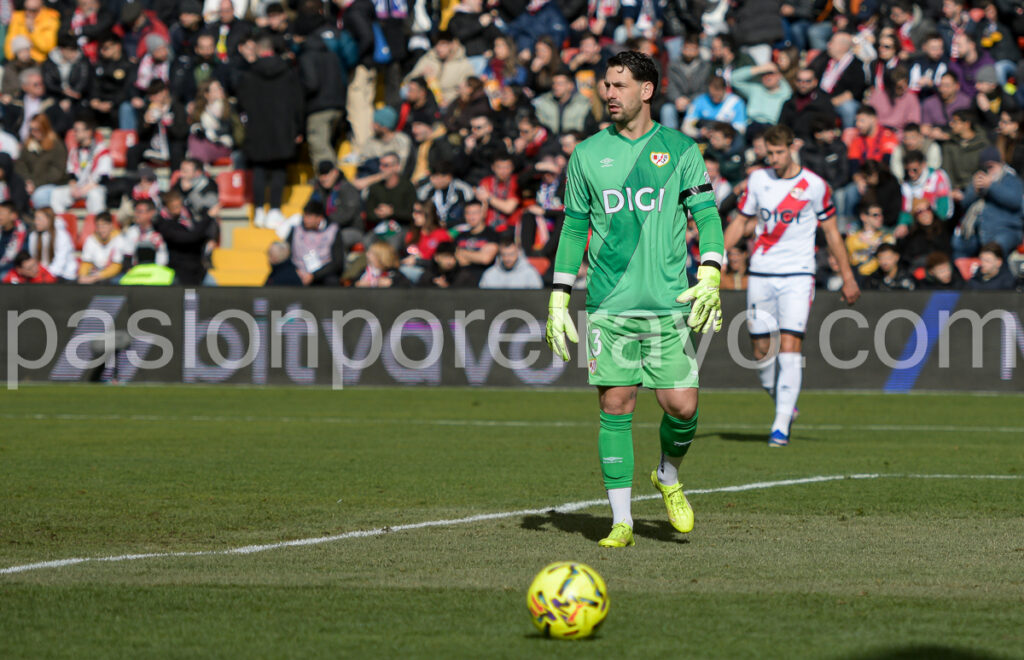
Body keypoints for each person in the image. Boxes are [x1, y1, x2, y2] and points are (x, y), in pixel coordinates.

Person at [545, 50, 726, 549]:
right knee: (616, 404)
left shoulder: (681, 149)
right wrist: (559, 296)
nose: (609, 94)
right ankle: (620, 521)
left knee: (683, 407)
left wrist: (710, 268)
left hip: (669, 304)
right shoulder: (586, 155)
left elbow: (707, 216)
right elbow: (574, 227)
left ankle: (668, 475)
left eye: (619, 85)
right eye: (606, 85)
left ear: (647, 90)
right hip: (609, 305)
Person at [724, 123, 860, 447]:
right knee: (760, 350)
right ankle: (784, 403)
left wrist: (849, 276)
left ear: (791, 148)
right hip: (761, 272)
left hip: (798, 275)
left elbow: (831, 234)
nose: (773, 159)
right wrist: (711, 262)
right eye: (768, 153)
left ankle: (780, 425)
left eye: (778, 152)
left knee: (789, 346)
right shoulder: (758, 180)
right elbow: (741, 222)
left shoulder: (814, 186)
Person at [953, 146, 1024, 258]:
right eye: (985, 167)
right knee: (959, 244)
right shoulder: (979, 179)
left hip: (1006, 230)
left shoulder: (1011, 179)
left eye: (991, 166)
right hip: (977, 229)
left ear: (1000, 164)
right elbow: (965, 204)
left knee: (994, 249)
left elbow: (1014, 201)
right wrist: (974, 191)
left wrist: (991, 186)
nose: (988, 170)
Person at [50, 117, 111, 215]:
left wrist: (83, 190)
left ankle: (94, 224)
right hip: (79, 187)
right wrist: (74, 187)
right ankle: (59, 224)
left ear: (88, 132)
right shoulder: (74, 151)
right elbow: (72, 175)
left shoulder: (101, 151)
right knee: (57, 193)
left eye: (77, 130)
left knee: (95, 195)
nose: (75, 133)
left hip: (94, 187)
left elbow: (102, 178)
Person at [155, 189, 214, 285]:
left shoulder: (188, 218)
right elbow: (190, 237)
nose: (178, 209)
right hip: (179, 271)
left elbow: (200, 234)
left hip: (198, 269)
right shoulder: (164, 225)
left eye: (179, 206)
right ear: (167, 207)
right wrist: (208, 217)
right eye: (174, 207)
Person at [285, 199, 345, 286]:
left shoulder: (333, 231)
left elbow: (337, 262)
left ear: (319, 218)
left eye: (309, 216)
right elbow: (287, 255)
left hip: (322, 274)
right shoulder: (295, 230)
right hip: (299, 272)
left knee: (332, 281)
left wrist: (314, 275)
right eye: (304, 215)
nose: (305, 219)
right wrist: (296, 271)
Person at [27, 207, 77, 281]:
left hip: (64, 276)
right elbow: (33, 257)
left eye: (39, 219)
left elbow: (60, 262)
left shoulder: (62, 236)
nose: (36, 222)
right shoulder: (33, 236)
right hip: (42, 276)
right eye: (35, 218)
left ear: (49, 220)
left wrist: (46, 275)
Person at [479, 238, 543, 289]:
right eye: (504, 255)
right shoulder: (490, 274)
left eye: (511, 254)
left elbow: (537, 297)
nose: (507, 259)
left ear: (518, 253)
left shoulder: (530, 273)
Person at [78, 212, 124, 284]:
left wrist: (96, 277)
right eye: (98, 226)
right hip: (95, 273)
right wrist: (82, 276)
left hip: (113, 276)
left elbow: (116, 267)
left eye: (104, 226)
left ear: (111, 226)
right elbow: (86, 262)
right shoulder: (91, 239)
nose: (101, 230)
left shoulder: (119, 239)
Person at [0, 202, 28, 279]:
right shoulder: (2, 231)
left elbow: (20, 259)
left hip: (13, 270)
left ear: (13, 216)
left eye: (1, 213)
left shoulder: (23, 232)